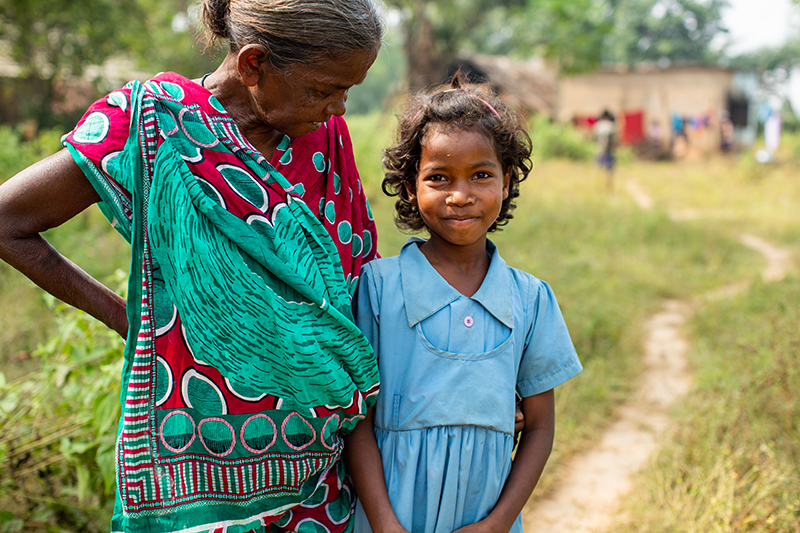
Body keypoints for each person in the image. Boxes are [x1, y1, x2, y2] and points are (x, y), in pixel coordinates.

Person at [0, 1, 385, 531]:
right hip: (188, 463)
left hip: (318, 467)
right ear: (253, 64)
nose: (339, 107)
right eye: (324, 89)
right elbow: (7, 222)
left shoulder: (324, 139)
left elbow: (358, 287)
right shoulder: (151, 124)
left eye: (349, 90)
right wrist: (129, 321)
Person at [343, 75, 583, 533]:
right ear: (410, 187)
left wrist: (497, 524)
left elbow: (538, 429)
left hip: (485, 517)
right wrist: (384, 523)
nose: (460, 195)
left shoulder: (530, 300)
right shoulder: (378, 288)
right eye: (438, 177)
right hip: (388, 516)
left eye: (481, 175)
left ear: (507, 182)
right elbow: (357, 422)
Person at [593, 109, 616, 190]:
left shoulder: (598, 125)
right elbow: (613, 141)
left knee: (598, 170)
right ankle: (608, 187)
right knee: (609, 171)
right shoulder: (611, 126)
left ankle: (597, 186)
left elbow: (594, 138)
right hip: (608, 151)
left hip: (599, 150)